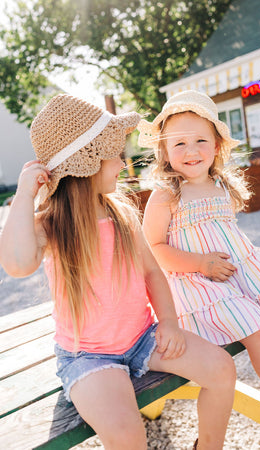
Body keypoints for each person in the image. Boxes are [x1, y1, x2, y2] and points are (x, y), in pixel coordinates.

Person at [0, 94, 236, 450]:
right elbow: (17, 265)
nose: (123, 161)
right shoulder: (51, 224)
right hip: (89, 357)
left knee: (222, 370)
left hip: (143, 339)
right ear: (89, 162)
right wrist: (23, 195)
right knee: (127, 436)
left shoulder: (121, 214)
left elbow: (154, 274)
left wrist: (169, 323)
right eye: (115, 152)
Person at [139, 89, 260, 425]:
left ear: (216, 145)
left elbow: (226, 235)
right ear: (164, 151)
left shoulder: (220, 185)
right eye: (179, 143)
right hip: (200, 283)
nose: (191, 151)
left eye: (200, 141)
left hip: (243, 269)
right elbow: (153, 249)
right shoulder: (167, 193)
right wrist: (201, 264)